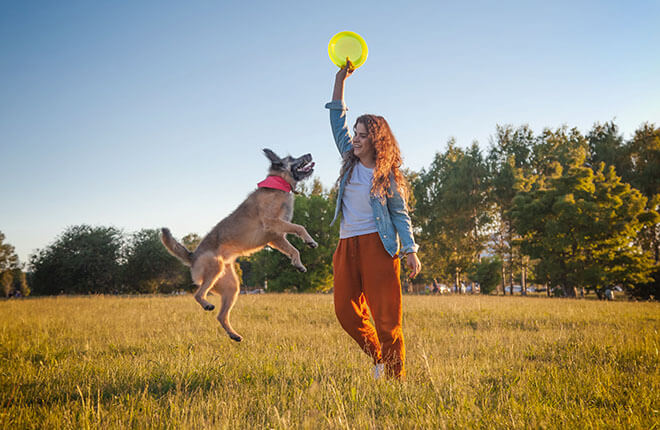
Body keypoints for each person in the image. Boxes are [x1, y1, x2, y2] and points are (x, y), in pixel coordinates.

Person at [325, 60, 422, 380]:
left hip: (379, 247)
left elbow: (399, 214)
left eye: (362, 135)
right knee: (345, 312)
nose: (355, 138)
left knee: (386, 318)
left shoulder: (387, 177)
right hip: (346, 244)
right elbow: (336, 117)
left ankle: (394, 378)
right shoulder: (349, 160)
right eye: (355, 133)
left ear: (375, 141)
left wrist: (409, 249)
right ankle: (379, 357)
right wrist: (340, 79)